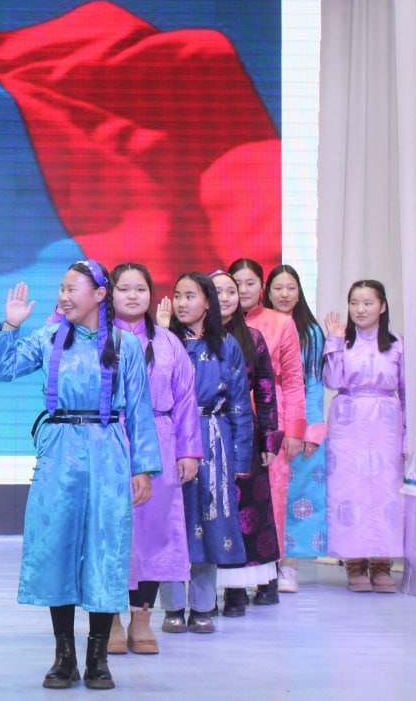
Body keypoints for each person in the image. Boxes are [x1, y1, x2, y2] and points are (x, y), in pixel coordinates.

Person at [0, 261, 159, 690]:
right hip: (59, 449)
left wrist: (142, 467)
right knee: (57, 547)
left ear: (99, 295)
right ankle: (63, 655)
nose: (64, 297)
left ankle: (98, 657)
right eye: (62, 289)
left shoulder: (125, 345)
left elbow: (140, 410)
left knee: (105, 547)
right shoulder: (49, 337)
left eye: (72, 289)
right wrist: (9, 327)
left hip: (107, 451)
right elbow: (2, 369)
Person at [109, 262, 201, 656]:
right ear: (108, 293)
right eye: (124, 288)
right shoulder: (98, 338)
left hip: (160, 442)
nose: (133, 296)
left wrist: (189, 451)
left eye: (140, 289)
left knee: (154, 531)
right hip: (111, 440)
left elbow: (186, 399)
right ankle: (109, 618)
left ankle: (142, 618)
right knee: (112, 531)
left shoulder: (167, 342)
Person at [160, 273, 254, 635]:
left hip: (214, 438)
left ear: (208, 302)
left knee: (209, 522)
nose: (182, 303)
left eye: (190, 296)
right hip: (172, 437)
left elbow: (239, 405)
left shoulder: (227, 345)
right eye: (178, 295)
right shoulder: (163, 341)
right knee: (173, 522)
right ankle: (172, 606)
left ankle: (202, 605)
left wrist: (240, 458)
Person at [230, 258, 307, 598]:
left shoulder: (280, 322)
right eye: (237, 283)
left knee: (271, 496)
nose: (243, 290)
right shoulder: (218, 322)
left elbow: (293, 380)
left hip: (269, 416)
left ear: (262, 287)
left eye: (250, 283)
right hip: (228, 418)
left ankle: (268, 575)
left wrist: (294, 430)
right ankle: (232, 575)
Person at [323, 280, 405, 593]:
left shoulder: (396, 344)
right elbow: (332, 380)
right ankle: (354, 563)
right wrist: (333, 341)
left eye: (368, 303)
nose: (360, 309)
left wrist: (407, 436)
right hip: (348, 421)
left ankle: (382, 564)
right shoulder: (341, 341)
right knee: (349, 490)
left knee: (386, 491)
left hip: (386, 422)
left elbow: (406, 391)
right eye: (354, 303)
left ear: (382, 307)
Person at [212, 270, 281, 615]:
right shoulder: (189, 338)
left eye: (231, 292)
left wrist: (269, 440)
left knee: (250, 509)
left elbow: (266, 392)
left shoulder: (252, 338)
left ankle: (254, 583)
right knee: (214, 508)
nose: (225, 298)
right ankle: (215, 588)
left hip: (243, 433)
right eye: (217, 292)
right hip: (206, 430)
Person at [264, 264, 329, 588]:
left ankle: (288, 565)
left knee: (295, 493)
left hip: (298, 421)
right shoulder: (258, 324)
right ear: (268, 292)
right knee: (266, 495)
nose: (285, 294)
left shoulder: (310, 332)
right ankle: (264, 567)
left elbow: (314, 383)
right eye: (278, 287)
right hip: (266, 415)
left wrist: (311, 430)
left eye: (291, 288)